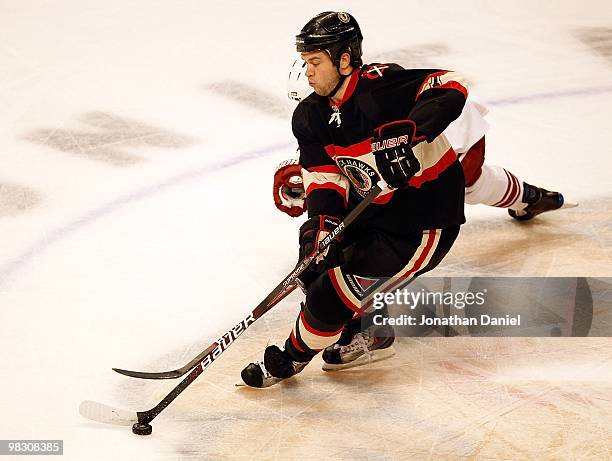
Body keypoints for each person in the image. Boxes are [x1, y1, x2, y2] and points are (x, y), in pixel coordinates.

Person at [241, 11, 470, 387]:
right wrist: (319, 227)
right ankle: (371, 333)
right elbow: (325, 180)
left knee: (333, 294)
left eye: (315, 62)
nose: (308, 72)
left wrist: (411, 130)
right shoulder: (310, 116)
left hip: (423, 221)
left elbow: (451, 84)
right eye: (305, 62)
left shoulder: (381, 87)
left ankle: (293, 356)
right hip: (370, 213)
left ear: (344, 59)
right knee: (316, 267)